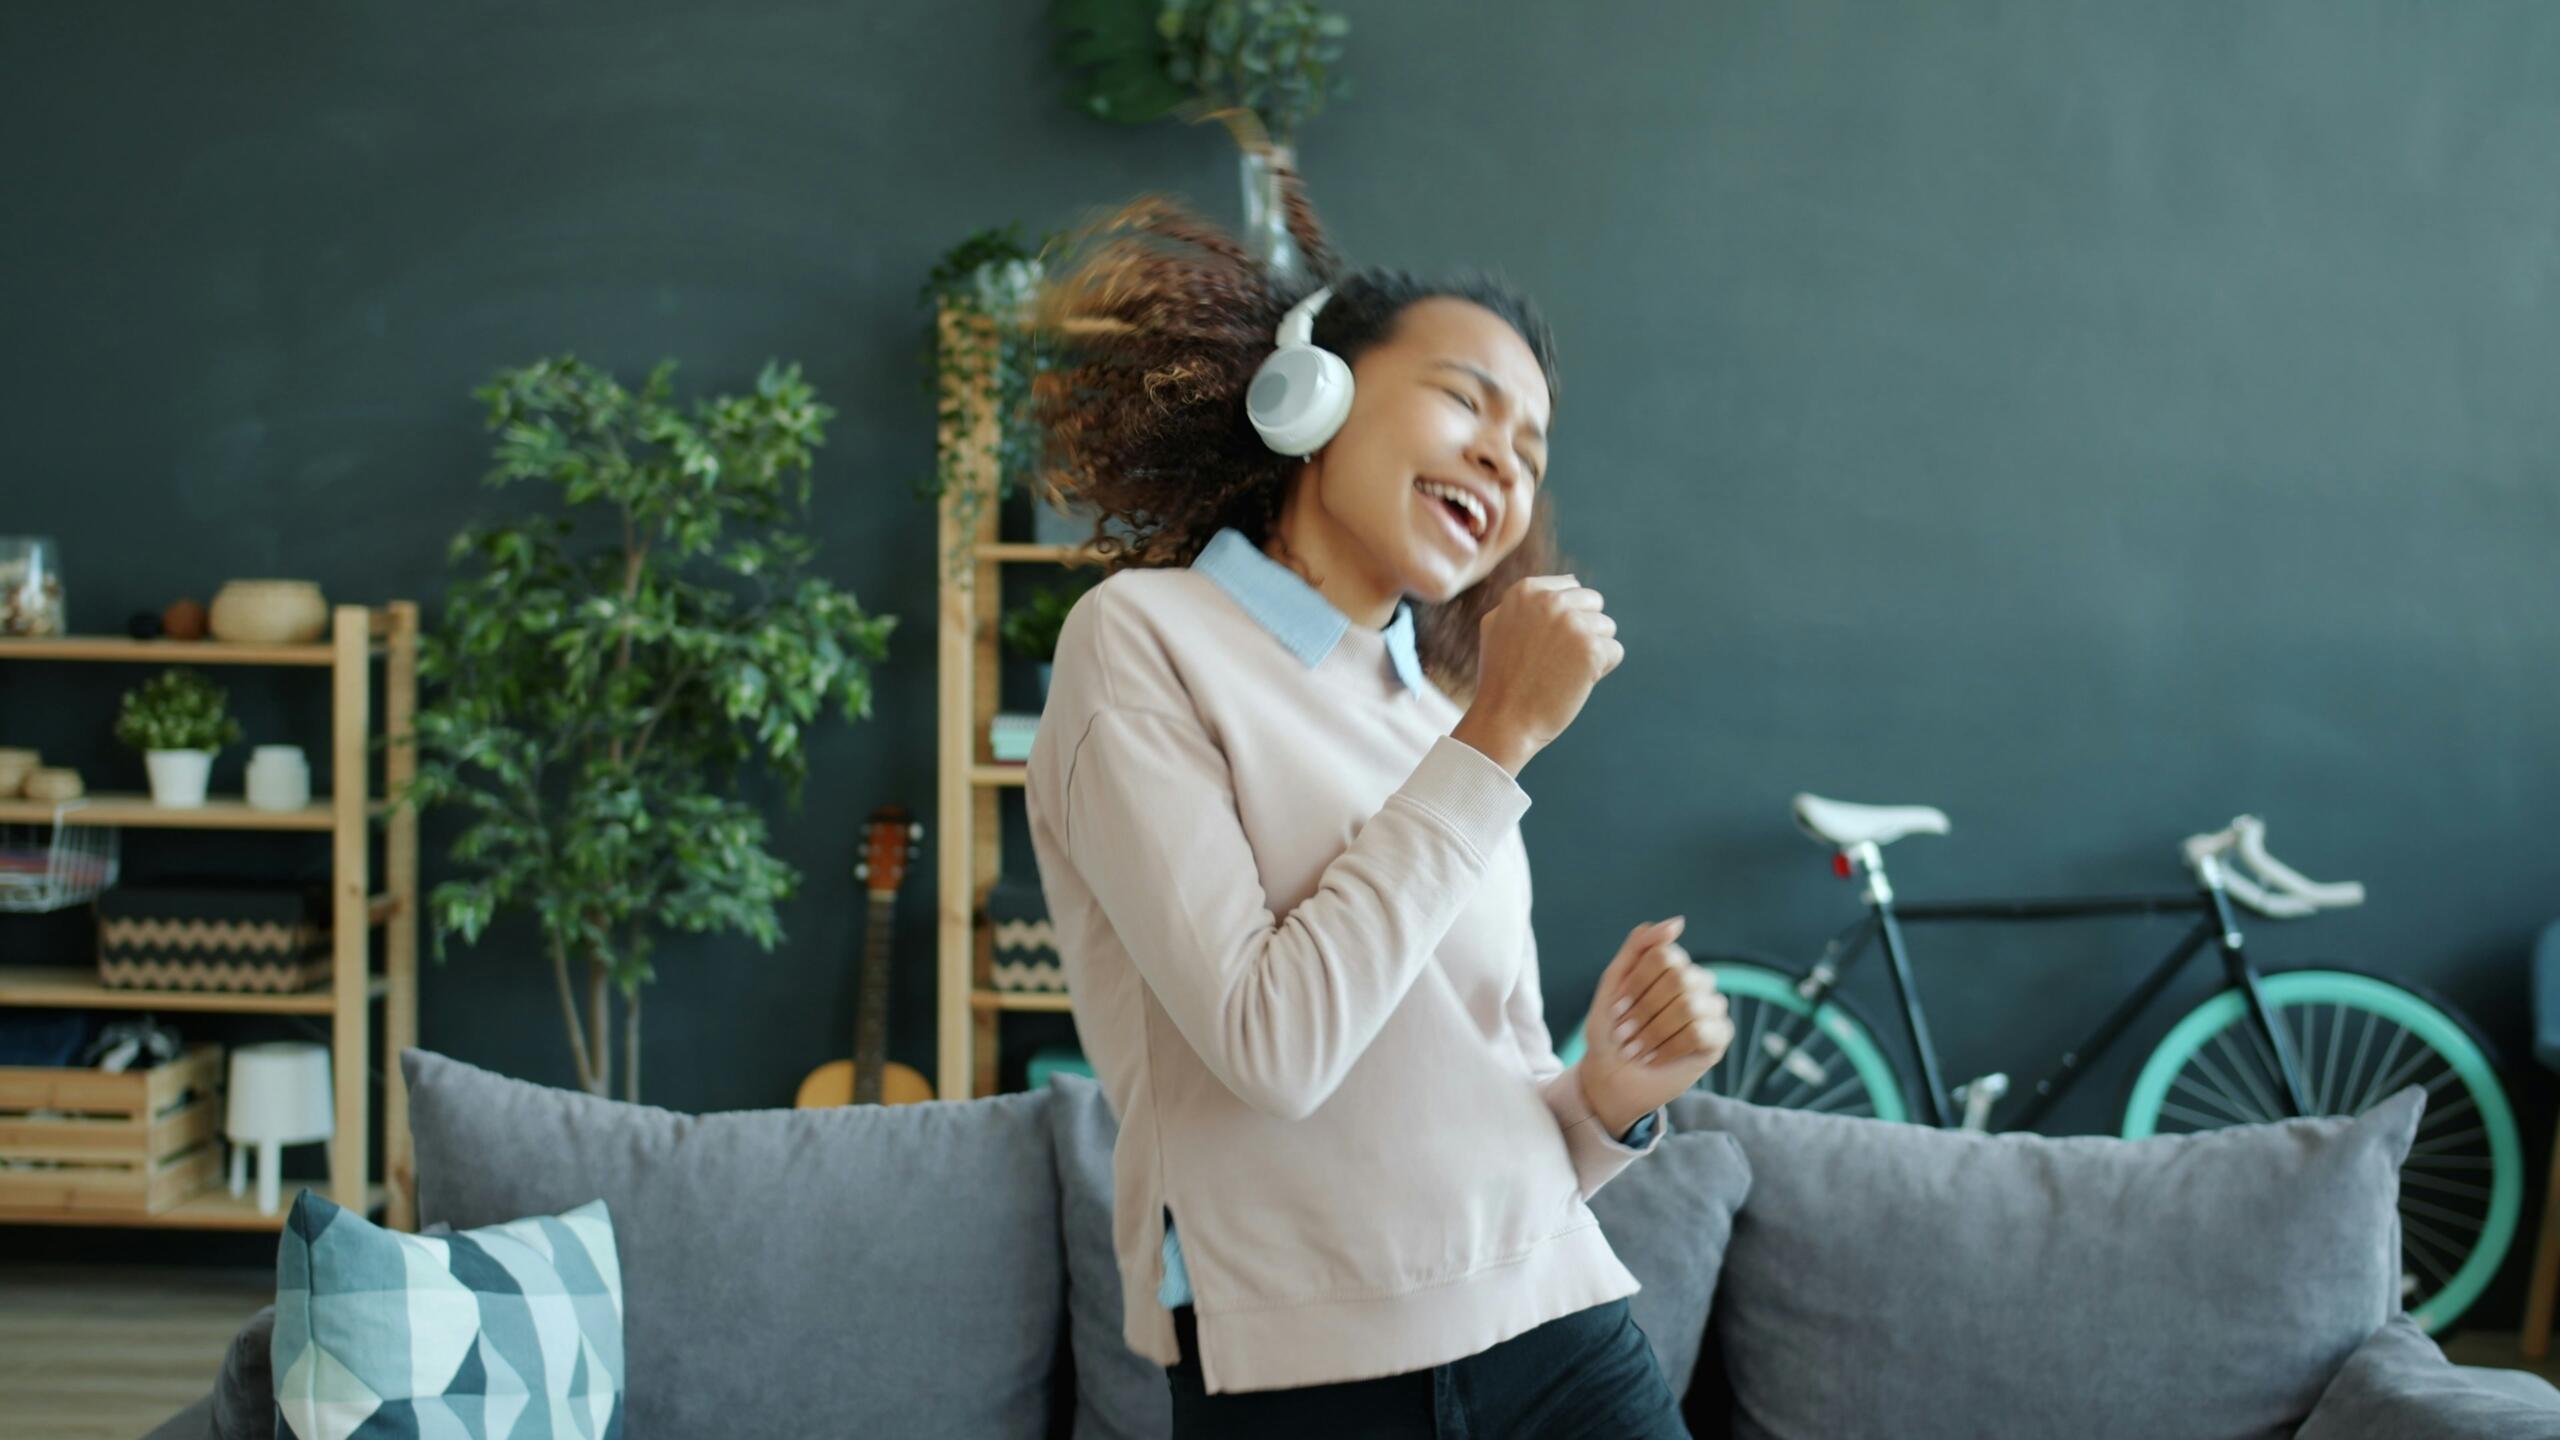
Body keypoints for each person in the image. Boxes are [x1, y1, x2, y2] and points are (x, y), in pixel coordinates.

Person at [1021, 161, 1736, 1438]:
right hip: (1301, 1375)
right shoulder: (1140, 642)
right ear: (1314, 396)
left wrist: (1612, 1096)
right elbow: (1268, 1047)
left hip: (1556, 1325)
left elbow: (1488, 1101)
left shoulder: (1436, 716)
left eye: (1527, 452)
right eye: (1466, 403)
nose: (1501, 468)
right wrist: (1499, 739)